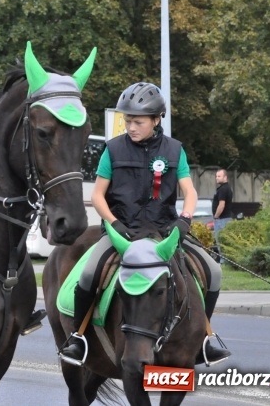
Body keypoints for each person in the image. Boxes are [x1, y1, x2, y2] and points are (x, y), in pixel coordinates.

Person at [59, 82, 231, 366]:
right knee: (89, 273)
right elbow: (97, 196)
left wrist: (185, 220)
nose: (131, 126)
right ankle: (78, 338)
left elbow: (189, 192)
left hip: (164, 232)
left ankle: (203, 338)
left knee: (213, 271)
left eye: (137, 121)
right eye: (127, 120)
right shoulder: (112, 150)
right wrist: (114, 223)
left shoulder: (175, 151)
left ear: (156, 119)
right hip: (122, 232)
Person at [212, 168, 234, 261]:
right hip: (226, 218)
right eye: (216, 176)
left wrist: (216, 216)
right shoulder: (227, 188)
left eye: (219, 176)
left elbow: (221, 205)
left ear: (225, 177)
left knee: (220, 242)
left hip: (222, 219)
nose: (217, 178)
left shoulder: (223, 189)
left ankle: (223, 262)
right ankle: (225, 261)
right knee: (225, 242)